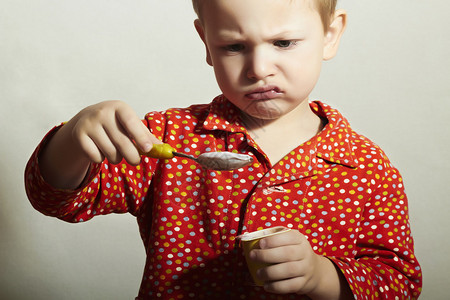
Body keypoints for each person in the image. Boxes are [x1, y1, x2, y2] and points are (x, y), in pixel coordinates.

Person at [24, 0, 422, 299]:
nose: (259, 67)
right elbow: (58, 199)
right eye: (233, 47)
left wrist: (323, 277)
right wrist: (75, 137)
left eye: (283, 42)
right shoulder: (166, 138)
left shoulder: (365, 165)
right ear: (206, 43)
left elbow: (399, 282)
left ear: (330, 35)